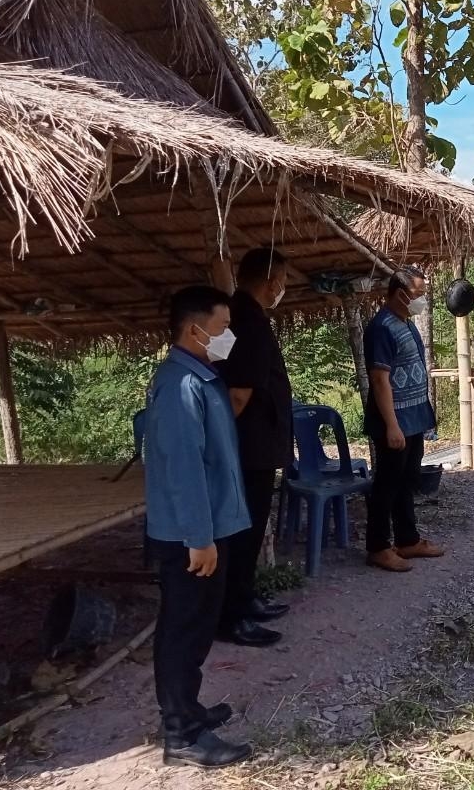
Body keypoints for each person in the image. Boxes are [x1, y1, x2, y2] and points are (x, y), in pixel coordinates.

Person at [144, 286, 252, 769]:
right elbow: (184, 468)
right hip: (189, 535)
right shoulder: (179, 386)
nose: (229, 335)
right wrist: (199, 538)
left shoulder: (200, 377)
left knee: (198, 624)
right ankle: (181, 735)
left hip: (208, 525)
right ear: (195, 330)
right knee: (182, 630)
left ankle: (189, 710)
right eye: (222, 327)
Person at [215, 247, 293, 648]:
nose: (283, 288)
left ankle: (244, 598)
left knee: (245, 527)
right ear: (272, 282)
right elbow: (238, 394)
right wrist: (218, 442)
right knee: (243, 532)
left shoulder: (234, 315)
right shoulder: (250, 323)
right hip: (249, 447)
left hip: (248, 444)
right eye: (283, 280)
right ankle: (231, 617)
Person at [363, 268, 445, 572]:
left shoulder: (405, 322)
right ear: (400, 294)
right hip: (394, 419)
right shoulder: (381, 328)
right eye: (419, 294)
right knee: (387, 483)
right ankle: (378, 547)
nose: (422, 299)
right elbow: (379, 379)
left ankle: (407, 540)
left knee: (406, 479)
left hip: (412, 416)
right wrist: (392, 425)